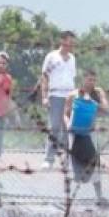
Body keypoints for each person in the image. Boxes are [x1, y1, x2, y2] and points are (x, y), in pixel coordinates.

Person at [64, 70, 109, 206]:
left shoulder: (98, 93)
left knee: (95, 164)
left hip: (90, 133)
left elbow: (106, 109)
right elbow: (65, 113)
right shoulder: (73, 95)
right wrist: (67, 124)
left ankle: (99, 196)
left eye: (94, 80)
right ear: (83, 80)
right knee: (74, 165)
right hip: (74, 133)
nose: (92, 82)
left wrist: (94, 101)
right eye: (89, 79)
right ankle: (69, 198)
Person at [40, 31, 77, 169]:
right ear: (62, 41)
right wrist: (44, 97)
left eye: (73, 42)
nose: (71, 45)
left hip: (69, 96)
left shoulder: (72, 58)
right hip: (55, 95)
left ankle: (68, 158)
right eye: (69, 41)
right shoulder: (52, 57)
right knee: (54, 127)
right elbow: (44, 77)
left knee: (68, 127)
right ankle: (49, 158)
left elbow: (73, 78)